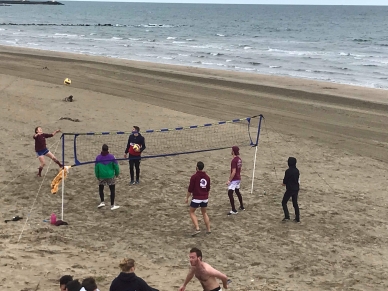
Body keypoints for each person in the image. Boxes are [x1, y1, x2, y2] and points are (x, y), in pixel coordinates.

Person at [185, 161, 211, 236]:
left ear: (197, 167)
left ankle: (197, 228)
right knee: (204, 213)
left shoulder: (194, 177)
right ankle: (208, 229)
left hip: (197, 197)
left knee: (192, 212)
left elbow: (190, 189)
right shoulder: (207, 177)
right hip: (205, 197)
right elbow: (208, 188)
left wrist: (187, 198)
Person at [95, 144, 120, 210]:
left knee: (101, 188)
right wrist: (117, 174)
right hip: (110, 175)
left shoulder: (98, 158)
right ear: (108, 149)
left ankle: (102, 202)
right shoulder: (112, 157)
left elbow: (96, 168)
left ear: (102, 149)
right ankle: (112, 205)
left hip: (102, 176)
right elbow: (116, 167)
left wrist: (97, 176)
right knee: (112, 189)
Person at [226, 146, 244, 215]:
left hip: (235, 179)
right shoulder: (239, 159)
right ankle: (242, 206)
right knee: (237, 191)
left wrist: (229, 180)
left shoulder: (234, 160)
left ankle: (233, 210)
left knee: (230, 193)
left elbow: (233, 171)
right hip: (238, 178)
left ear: (233, 151)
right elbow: (239, 169)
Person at [281, 157, 300, 223]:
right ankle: (297, 218)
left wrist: (283, 183)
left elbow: (285, 181)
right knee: (295, 203)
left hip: (290, 189)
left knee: (284, 202)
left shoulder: (288, 171)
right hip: (296, 188)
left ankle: (287, 216)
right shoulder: (297, 170)